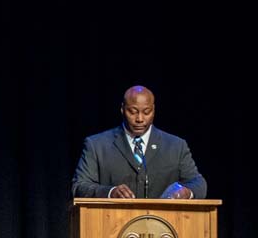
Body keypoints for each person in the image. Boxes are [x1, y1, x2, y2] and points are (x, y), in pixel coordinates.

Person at [71, 85, 207, 199]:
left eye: (146, 112)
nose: (140, 119)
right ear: (122, 109)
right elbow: (79, 186)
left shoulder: (176, 146)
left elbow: (198, 184)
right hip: (112, 224)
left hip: (162, 226)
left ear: (153, 111)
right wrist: (110, 192)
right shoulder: (97, 145)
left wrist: (186, 192)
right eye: (133, 112)